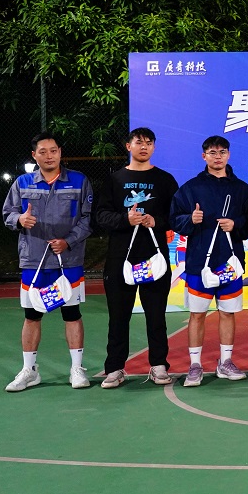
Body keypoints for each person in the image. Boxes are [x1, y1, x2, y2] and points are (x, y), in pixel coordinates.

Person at [3, 132, 94, 392]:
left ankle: (76, 369)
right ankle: (29, 371)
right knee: (32, 315)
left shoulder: (79, 181)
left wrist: (68, 241)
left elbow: (88, 218)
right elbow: (8, 213)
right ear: (34, 156)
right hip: (34, 260)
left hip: (68, 260)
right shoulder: (22, 183)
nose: (49, 156)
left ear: (60, 152)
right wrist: (19, 220)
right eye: (42, 152)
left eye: (53, 150)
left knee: (72, 314)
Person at [95, 127, 179, 388]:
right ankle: (115, 368)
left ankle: (158, 365)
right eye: (138, 142)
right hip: (120, 259)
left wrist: (157, 221)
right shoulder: (115, 179)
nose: (144, 146)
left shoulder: (165, 180)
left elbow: (176, 216)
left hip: (154, 259)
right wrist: (125, 219)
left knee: (156, 316)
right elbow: (100, 216)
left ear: (154, 147)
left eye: (149, 143)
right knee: (118, 317)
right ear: (128, 146)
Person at [170, 135, 248, 387]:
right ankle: (195, 365)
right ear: (203, 156)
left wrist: (235, 224)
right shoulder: (191, 188)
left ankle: (225, 362)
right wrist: (190, 220)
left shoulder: (242, 189)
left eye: (222, 152)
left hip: (230, 263)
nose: (218, 157)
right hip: (199, 263)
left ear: (228, 155)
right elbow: (175, 220)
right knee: (197, 315)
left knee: (227, 314)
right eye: (212, 152)